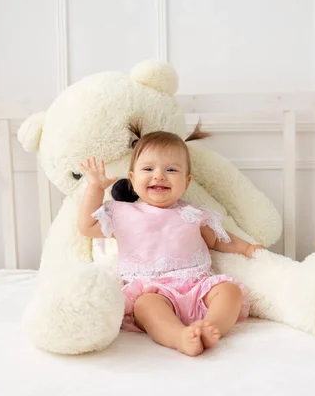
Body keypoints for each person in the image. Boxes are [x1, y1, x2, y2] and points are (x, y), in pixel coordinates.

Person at [78, 127, 264, 356]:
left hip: (197, 287)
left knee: (229, 291)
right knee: (145, 306)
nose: (159, 175)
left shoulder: (193, 213)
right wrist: (95, 188)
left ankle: (210, 326)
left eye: (171, 170)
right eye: (148, 168)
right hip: (152, 289)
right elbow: (87, 226)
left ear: (186, 183)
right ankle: (179, 337)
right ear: (133, 180)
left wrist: (247, 247)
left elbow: (217, 239)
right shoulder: (123, 213)